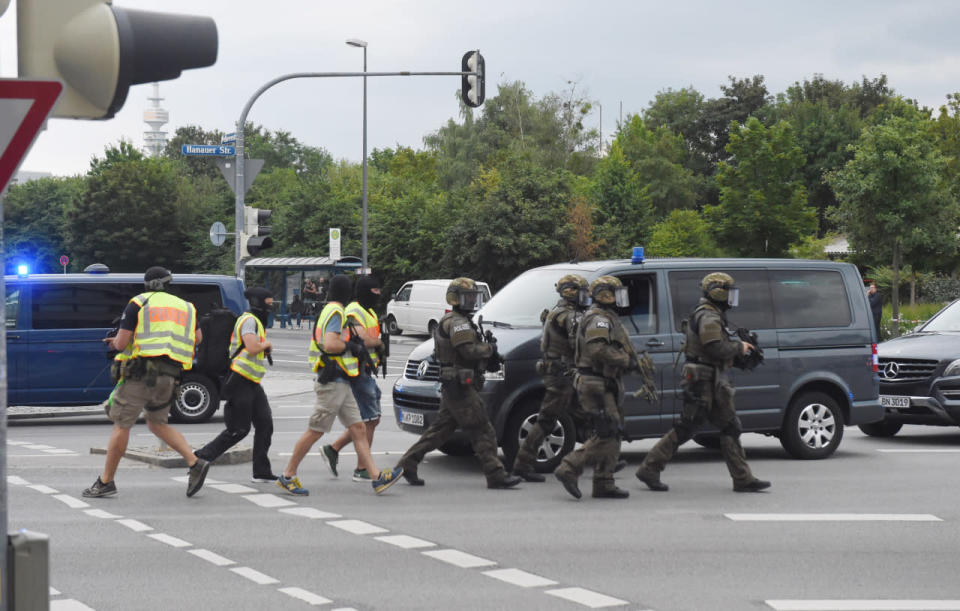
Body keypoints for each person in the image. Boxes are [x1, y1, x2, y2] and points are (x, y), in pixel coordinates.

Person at [635, 272, 770, 493]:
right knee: (689, 426)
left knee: (729, 426)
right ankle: (649, 468)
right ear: (718, 293)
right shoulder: (709, 316)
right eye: (728, 293)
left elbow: (713, 349)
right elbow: (713, 347)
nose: (731, 298)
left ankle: (743, 478)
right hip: (703, 380)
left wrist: (738, 355)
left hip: (711, 379)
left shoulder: (712, 314)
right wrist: (740, 348)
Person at [83, 266, 210, 498]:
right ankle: (195, 462)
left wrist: (114, 343)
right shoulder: (187, 307)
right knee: (157, 424)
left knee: (122, 424)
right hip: (171, 376)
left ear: (149, 284)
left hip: (141, 375)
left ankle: (106, 482)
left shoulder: (139, 302)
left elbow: (121, 344)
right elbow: (198, 338)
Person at [276, 274, 402, 496]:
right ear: (346, 292)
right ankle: (288, 475)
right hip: (332, 380)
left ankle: (376, 477)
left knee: (359, 428)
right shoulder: (335, 312)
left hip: (342, 379)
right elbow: (331, 344)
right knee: (316, 430)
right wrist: (352, 346)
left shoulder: (334, 311)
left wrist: (352, 344)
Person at [396, 278, 521, 490]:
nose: (472, 301)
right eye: (467, 297)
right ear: (455, 298)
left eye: (474, 297)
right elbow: (468, 351)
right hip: (459, 386)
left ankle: (408, 463)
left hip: (455, 384)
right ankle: (495, 474)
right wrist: (489, 350)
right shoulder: (457, 322)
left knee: (439, 432)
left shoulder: (461, 320)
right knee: (482, 429)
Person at [554, 276, 636, 500]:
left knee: (613, 430)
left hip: (604, 381)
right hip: (596, 383)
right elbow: (597, 350)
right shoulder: (598, 319)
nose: (621, 298)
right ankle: (569, 467)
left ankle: (603, 482)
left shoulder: (606, 317)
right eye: (616, 293)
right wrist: (624, 360)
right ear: (605, 294)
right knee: (606, 432)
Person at [511, 274, 589, 482]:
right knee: (547, 420)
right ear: (570, 293)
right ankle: (522, 465)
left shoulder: (555, 311)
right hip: (562, 374)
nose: (585, 297)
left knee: (586, 413)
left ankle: (603, 458)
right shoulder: (570, 315)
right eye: (581, 293)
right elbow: (578, 344)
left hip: (558, 371)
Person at [195, 287, 277, 483]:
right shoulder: (249, 320)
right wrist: (266, 345)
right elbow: (251, 347)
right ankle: (201, 457)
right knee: (239, 430)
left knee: (265, 425)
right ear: (258, 302)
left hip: (252, 381)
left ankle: (261, 471)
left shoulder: (255, 321)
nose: (271, 306)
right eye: (269, 302)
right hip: (240, 380)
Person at [321, 276, 386, 482]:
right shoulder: (353, 310)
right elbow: (361, 338)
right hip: (357, 371)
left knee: (368, 421)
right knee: (368, 420)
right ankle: (362, 469)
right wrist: (379, 343)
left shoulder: (369, 311)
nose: (377, 295)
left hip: (366, 370)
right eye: (373, 292)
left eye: (378, 292)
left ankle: (333, 449)